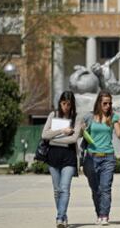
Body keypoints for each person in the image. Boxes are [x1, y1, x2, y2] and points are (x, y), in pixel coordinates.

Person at [82, 90, 120, 225]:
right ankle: (99, 213)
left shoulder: (113, 117)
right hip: (91, 157)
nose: (108, 106)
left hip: (108, 157)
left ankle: (104, 215)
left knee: (105, 188)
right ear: (99, 103)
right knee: (96, 189)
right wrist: (80, 128)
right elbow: (80, 134)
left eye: (110, 103)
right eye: (105, 103)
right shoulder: (89, 117)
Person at [41, 91, 82, 228]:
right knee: (57, 190)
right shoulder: (53, 115)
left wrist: (54, 139)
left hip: (69, 157)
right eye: (63, 103)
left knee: (65, 188)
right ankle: (63, 216)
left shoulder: (77, 118)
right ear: (60, 103)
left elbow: (73, 138)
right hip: (53, 157)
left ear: (72, 105)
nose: (66, 107)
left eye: (69, 104)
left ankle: (59, 218)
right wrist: (61, 131)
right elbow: (44, 134)